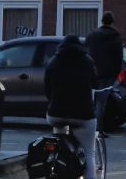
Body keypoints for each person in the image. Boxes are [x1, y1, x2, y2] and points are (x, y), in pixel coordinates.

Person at [45, 35, 98, 179]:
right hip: (83, 115)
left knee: (59, 143)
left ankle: (60, 159)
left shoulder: (53, 62)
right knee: (89, 152)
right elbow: (96, 83)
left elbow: (47, 90)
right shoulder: (87, 61)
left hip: (56, 114)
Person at [85, 11, 124, 125]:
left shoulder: (92, 35)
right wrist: (116, 73)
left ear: (102, 21)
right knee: (102, 102)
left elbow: (85, 52)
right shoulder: (116, 38)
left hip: (91, 73)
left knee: (90, 101)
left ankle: (89, 127)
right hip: (108, 75)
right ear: (112, 22)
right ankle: (98, 128)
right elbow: (118, 58)